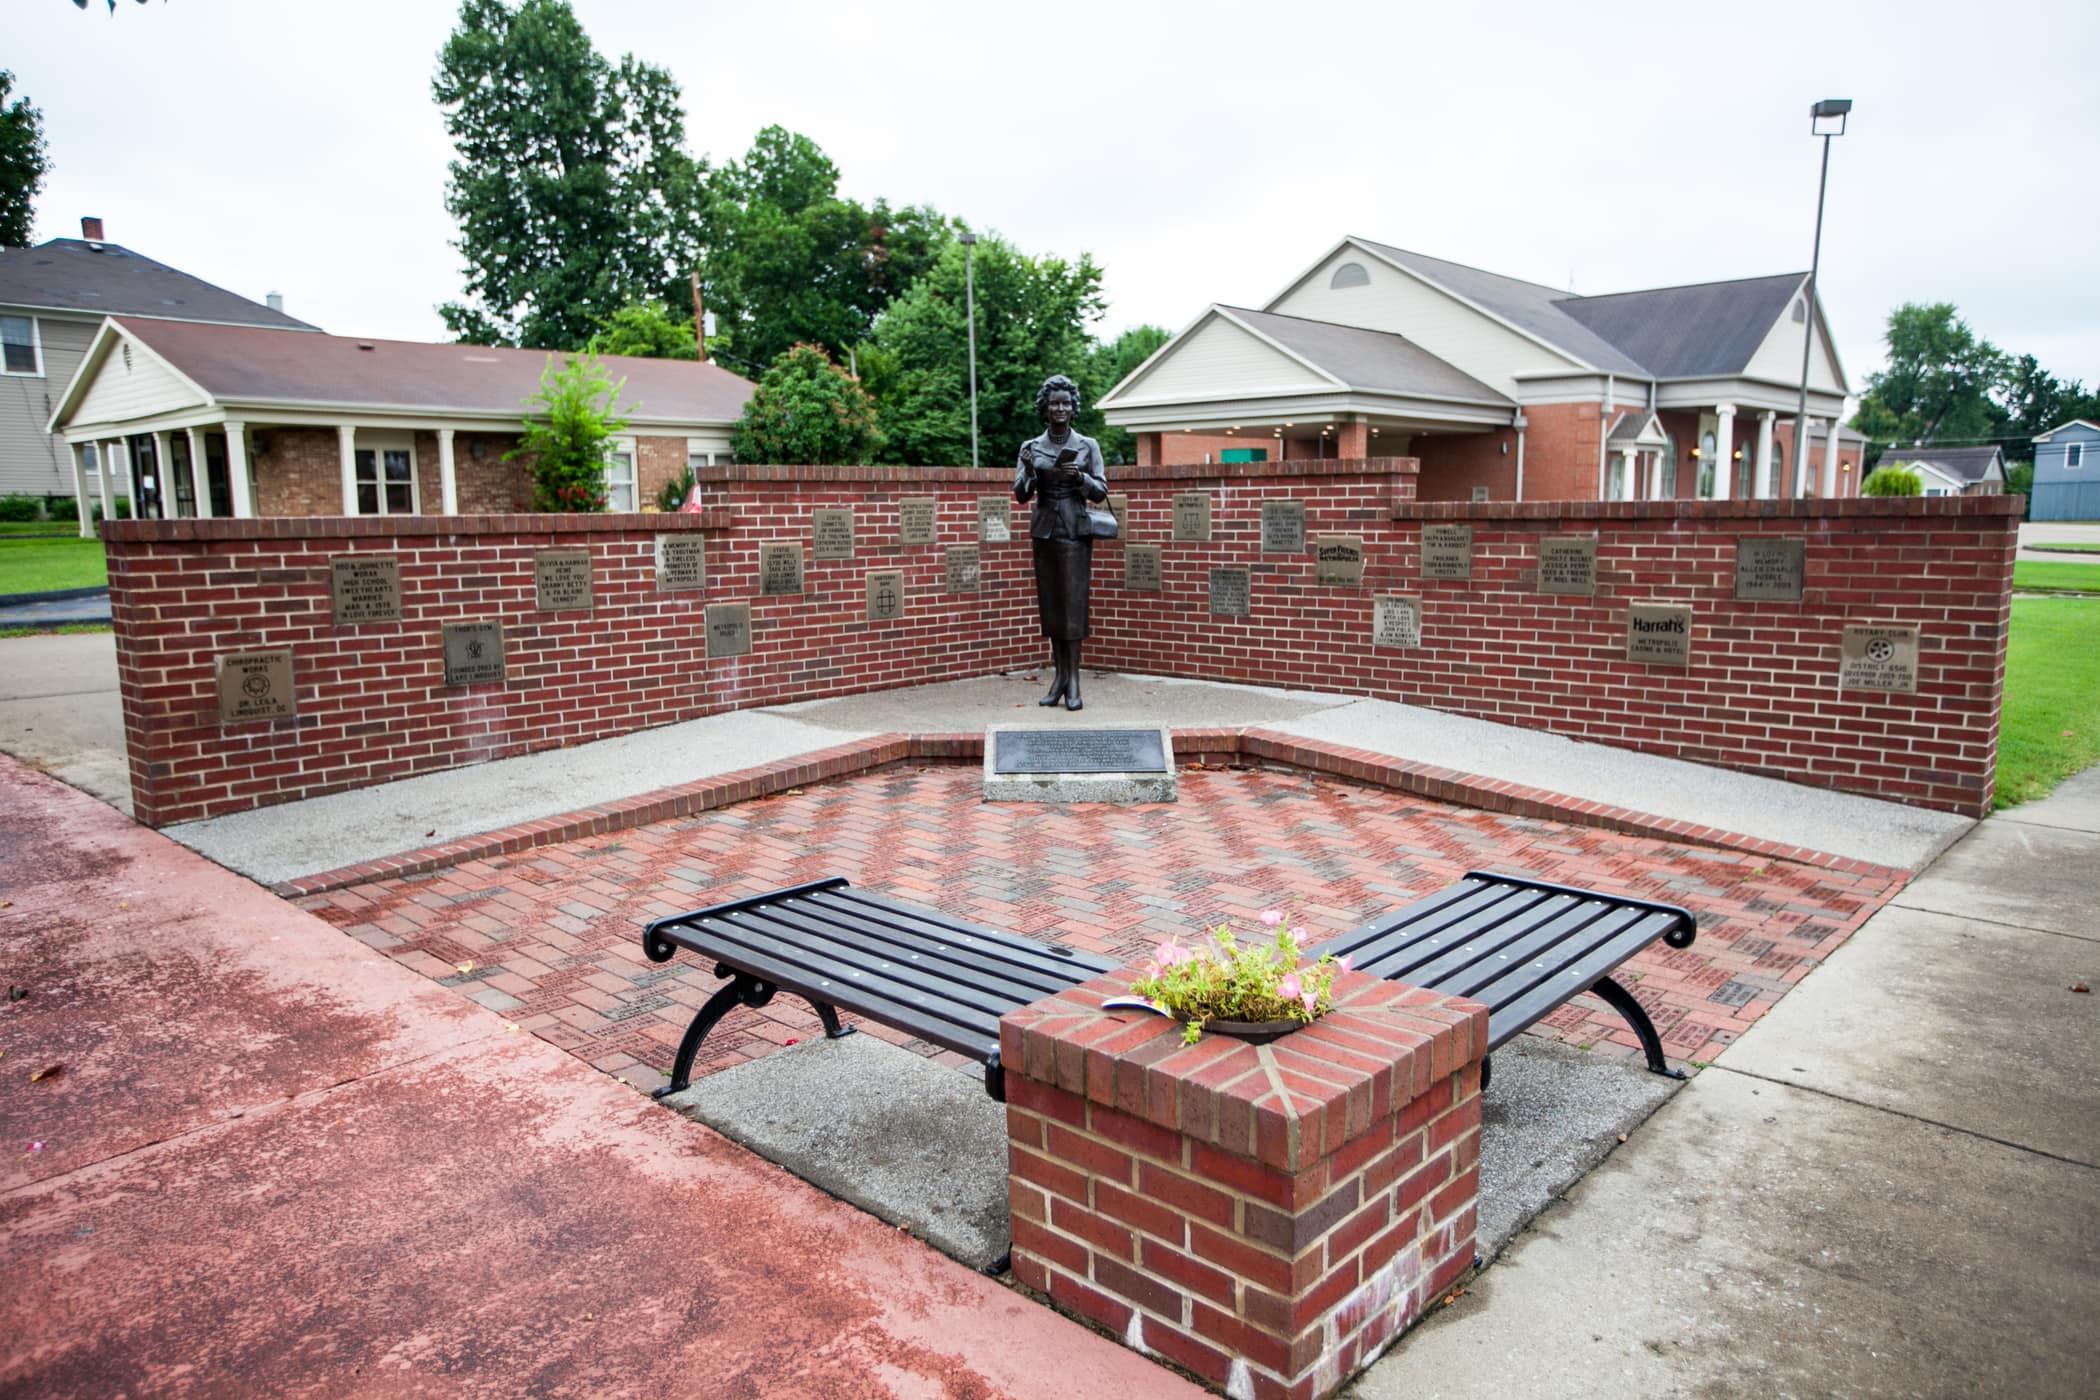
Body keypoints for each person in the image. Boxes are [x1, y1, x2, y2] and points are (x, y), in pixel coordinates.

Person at [1013, 373, 1108, 711]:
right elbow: (1021, 495)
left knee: (1073, 607)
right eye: (1054, 402)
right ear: (1045, 407)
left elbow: (1101, 490)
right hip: (1044, 532)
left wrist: (1080, 478)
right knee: (1052, 608)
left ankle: (1074, 681)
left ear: (1073, 407)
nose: (1060, 408)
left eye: (1066, 402)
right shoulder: (1031, 446)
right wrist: (1028, 471)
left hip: (1074, 531)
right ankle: (1058, 679)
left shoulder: (1088, 445)